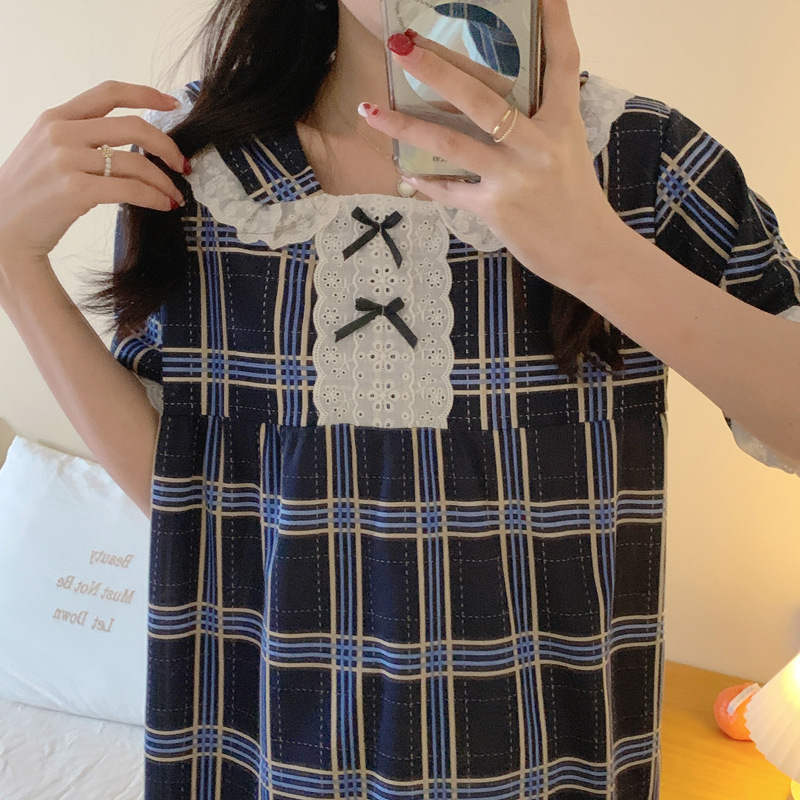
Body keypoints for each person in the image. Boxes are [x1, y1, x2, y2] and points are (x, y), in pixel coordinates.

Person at [0, 0, 798, 798]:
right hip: (271, 753)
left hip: (540, 762)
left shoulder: (640, 157)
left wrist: (594, 252)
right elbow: (194, 494)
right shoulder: (198, 168)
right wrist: (14, 263)